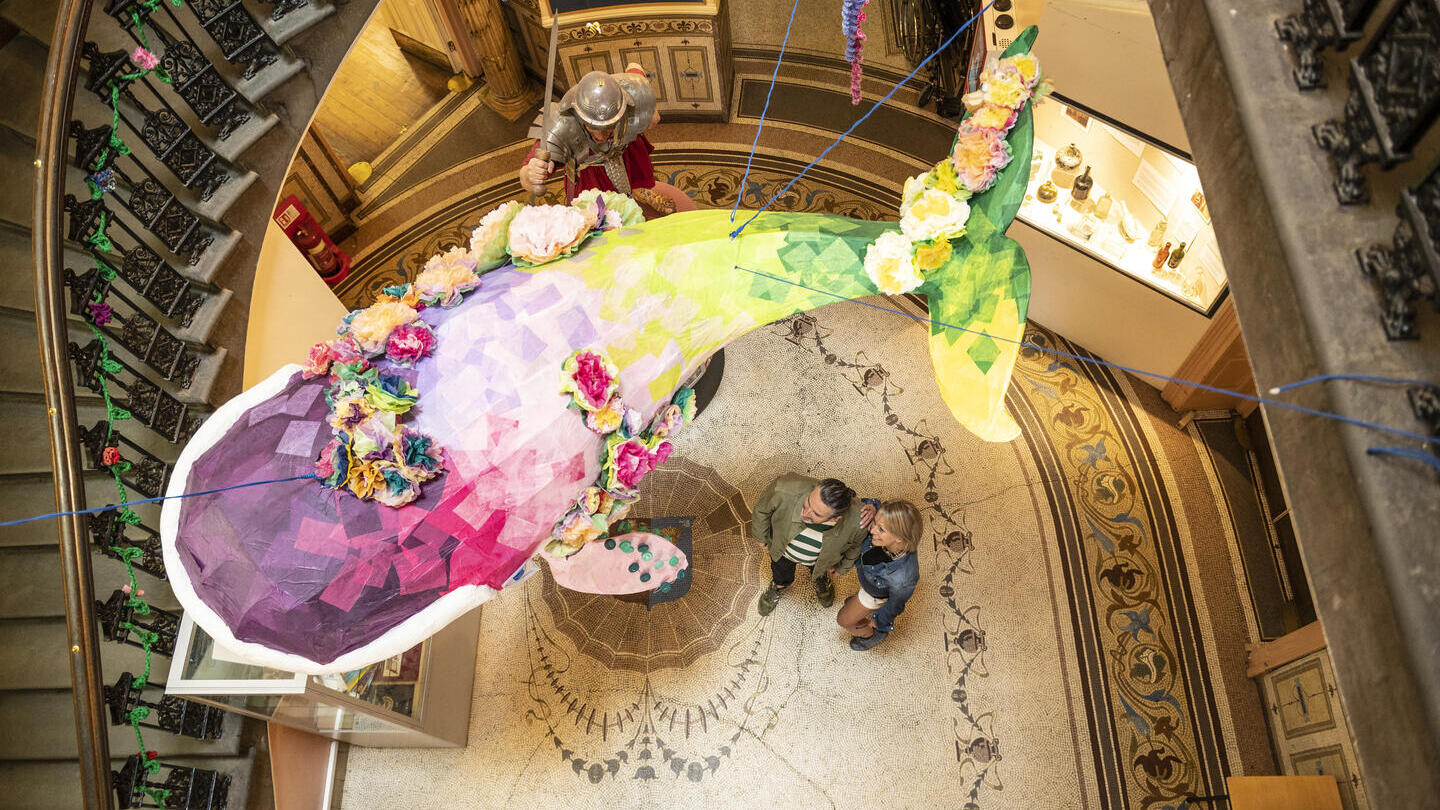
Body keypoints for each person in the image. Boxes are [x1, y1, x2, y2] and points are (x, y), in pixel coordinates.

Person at [519, 66, 689, 216]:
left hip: (625, 157)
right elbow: (527, 178)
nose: (601, 137)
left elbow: (635, 70)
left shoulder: (627, 100)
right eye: (593, 128)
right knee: (600, 220)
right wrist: (532, 174)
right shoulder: (562, 122)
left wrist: (649, 107)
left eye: (609, 127)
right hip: (591, 177)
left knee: (634, 196)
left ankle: (639, 192)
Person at [752, 475, 875, 616]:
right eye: (808, 502)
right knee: (781, 570)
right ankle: (780, 584)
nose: (805, 513)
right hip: (783, 552)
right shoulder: (783, 488)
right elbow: (762, 510)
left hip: (821, 560)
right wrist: (760, 536)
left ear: (836, 518)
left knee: (819, 570)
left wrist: (843, 568)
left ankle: (819, 577)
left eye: (816, 514)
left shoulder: (859, 521)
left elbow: (855, 546)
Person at [836, 500, 922, 651]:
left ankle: (871, 635)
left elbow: (894, 605)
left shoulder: (904, 578)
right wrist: (872, 507)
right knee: (854, 607)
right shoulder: (887, 532)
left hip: (874, 594)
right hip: (869, 580)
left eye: (881, 529)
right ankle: (858, 605)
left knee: (843, 620)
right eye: (875, 522)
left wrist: (879, 621)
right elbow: (871, 504)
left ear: (899, 537)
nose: (873, 530)